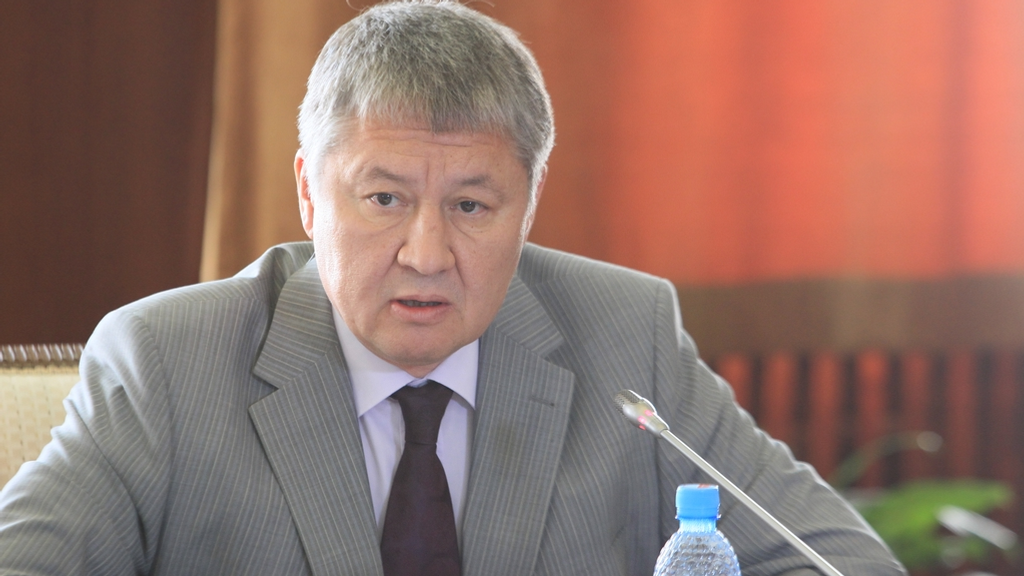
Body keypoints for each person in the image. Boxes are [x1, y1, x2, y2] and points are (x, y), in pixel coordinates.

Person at [0, 2, 905, 575]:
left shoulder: (626, 336)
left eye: (471, 205)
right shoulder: (168, 363)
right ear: (310, 195)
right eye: (384, 199)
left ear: (529, 205)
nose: (427, 253)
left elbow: (839, 564)